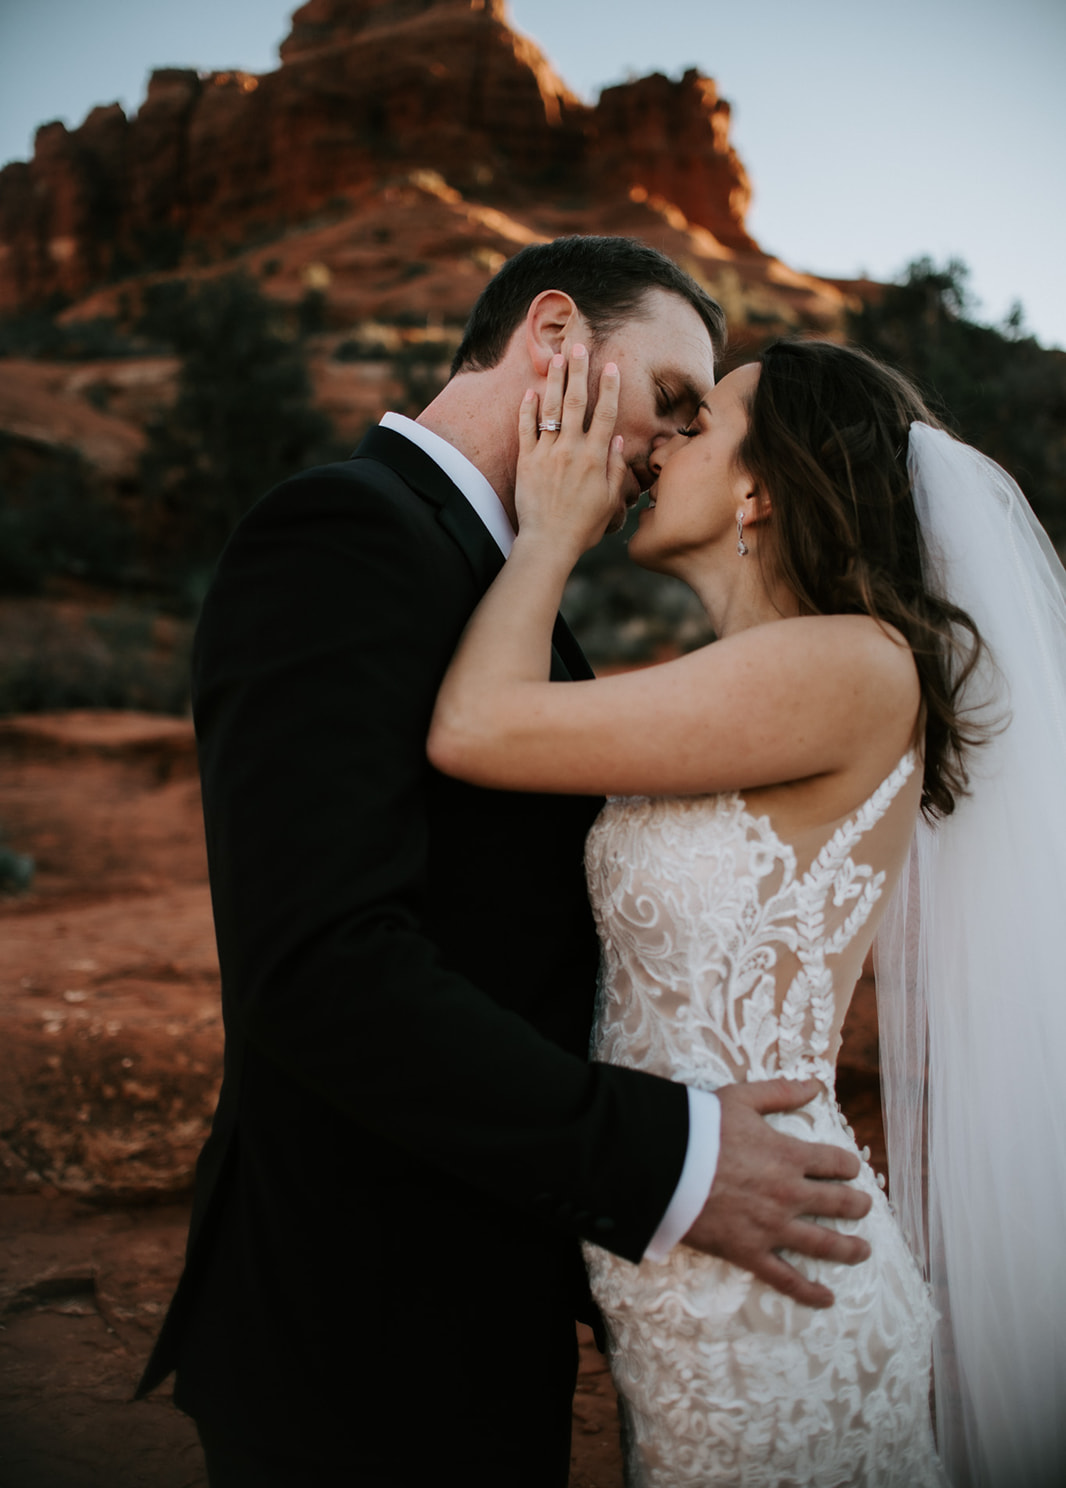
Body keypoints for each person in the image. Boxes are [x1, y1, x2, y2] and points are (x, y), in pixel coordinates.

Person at [135, 238, 875, 1488]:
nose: (671, 447)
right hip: (359, 1340)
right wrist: (661, 1159)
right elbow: (319, 966)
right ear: (553, 339)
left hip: (480, 1306)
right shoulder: (343, 534)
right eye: (671, 398)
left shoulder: (510, 588)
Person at [429, 336, 1066, 1485]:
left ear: (760, 486)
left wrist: (552, 533)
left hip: (769, 1277)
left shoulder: (846, 663)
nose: (662, 440)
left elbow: (474, 727)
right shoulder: (739, 676)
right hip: (689, 1245)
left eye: (699, 422)